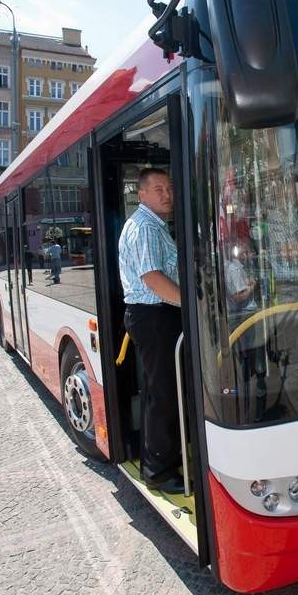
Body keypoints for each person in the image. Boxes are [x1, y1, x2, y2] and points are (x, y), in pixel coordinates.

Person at [118, 167, 184, 494]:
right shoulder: (145, 226)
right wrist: (193, 303)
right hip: (154, 315)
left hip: (158, 315)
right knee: (163, 393)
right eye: (159, 189)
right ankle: (158, 471)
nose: (167, 194)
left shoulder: (154, 225)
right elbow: (153, 279)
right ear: (140, 193)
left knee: (166, 390)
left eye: (169, 188)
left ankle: (168, 456)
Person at [225, 241, 268, 422]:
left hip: (244, 316)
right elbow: (238, 296)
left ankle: (251, 404)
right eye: (245, 250)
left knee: (248, 358)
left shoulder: (233, 267)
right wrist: (252, 287)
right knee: (254, 358)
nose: (248, 253)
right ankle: (254, 409)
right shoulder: (233, 269)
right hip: (246, 317)